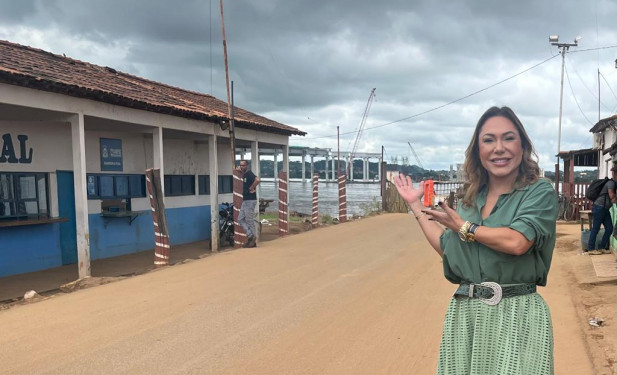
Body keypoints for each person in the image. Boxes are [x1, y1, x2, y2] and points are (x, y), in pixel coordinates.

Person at [394, 106, 558, 374]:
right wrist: (415, 206)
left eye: (508, 138)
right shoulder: (470, 199)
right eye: (489, 140)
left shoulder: (538, 191)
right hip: (466, 315)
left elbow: (518, 242)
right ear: (478, 151)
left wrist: (464, 226)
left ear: (522, 145)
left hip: (518, 314)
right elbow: (449, 249)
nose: (499, 148)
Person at [587, 166, 617, 255]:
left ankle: (602, 247)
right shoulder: (611, 183)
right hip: (599, 208)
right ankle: (591, 249)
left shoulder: (613, 183)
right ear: (615, 174)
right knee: (596, 228)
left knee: (609, 228)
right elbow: (612, 197)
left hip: (605, 209)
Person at [236, 160, 260, 248]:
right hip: (245, 200)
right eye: (241, 165)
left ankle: (252, 240)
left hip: (250, 200)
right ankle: (250, 236)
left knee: (249, 221)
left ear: (247, 166)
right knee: (240, 219)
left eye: (243, 165)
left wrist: (252, 187)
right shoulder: (244, 174)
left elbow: (257, 179)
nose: (242, 167)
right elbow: (238, 169)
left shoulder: (249, 174)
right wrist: (238, 169)